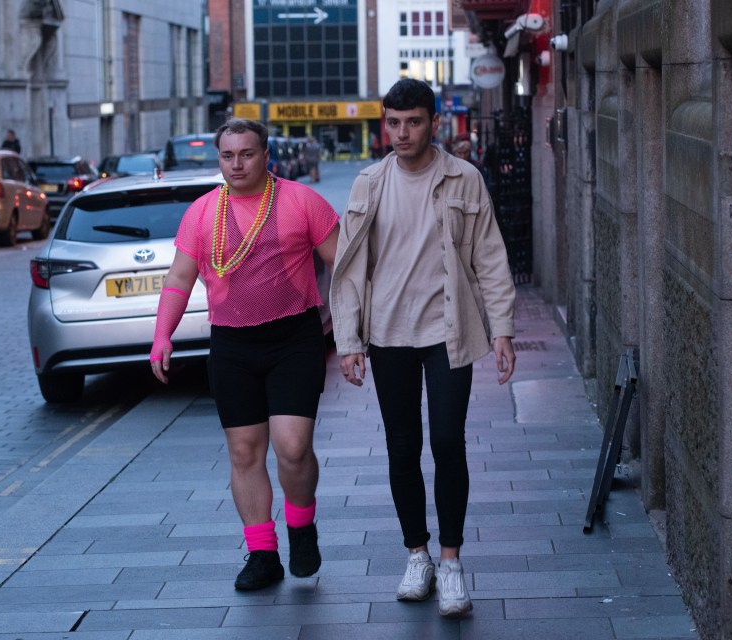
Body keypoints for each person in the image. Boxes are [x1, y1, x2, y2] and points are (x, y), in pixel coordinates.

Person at [329, 79, 517, 618]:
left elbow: (490, 258)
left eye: (413, 122)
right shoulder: (368, 184)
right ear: (383, 123)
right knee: (401, 447)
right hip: (387, 335)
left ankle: (452, 560)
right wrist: (349, 341)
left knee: (447, 441)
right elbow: (347, 271)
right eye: (393, 122)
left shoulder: (463, 178)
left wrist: (501, 328)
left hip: (448, 332)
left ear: (434, 123)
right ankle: (418, 553)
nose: (402, 133)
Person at [150, 118, 340, 591]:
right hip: (232, 344)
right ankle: (262, 554)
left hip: (294, 338)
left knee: (293, 448)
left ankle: (301, 525)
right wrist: (162, 336)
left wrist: (347, 328)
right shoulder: (201, 213)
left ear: (266, 155)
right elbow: (179, 279)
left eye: (247, 154)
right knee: (243, 452)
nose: (237, 164)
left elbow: (346, 266)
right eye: (227, 155)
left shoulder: (302, 201)